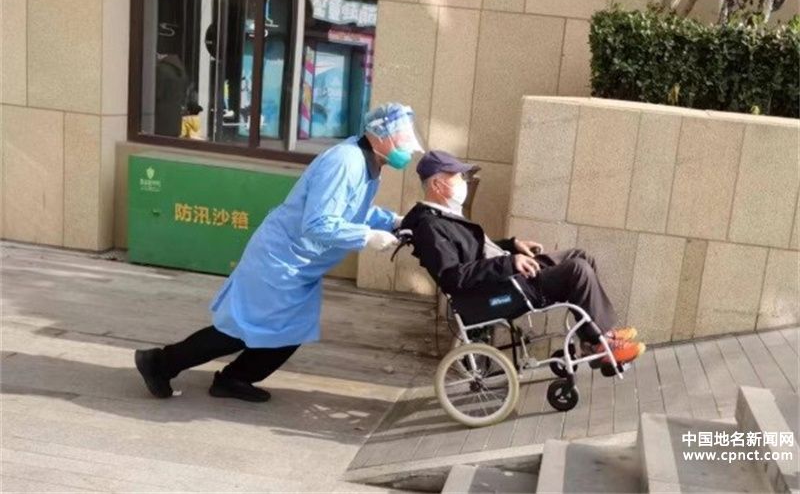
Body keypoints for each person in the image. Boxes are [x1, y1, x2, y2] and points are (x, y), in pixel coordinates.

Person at [135, 102, 424, 402]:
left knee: (290, 331)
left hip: (300, 265)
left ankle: (234, 378)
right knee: (239, 329)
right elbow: (318, 223)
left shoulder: (369, 165)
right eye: (401, 140)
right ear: (378, 135)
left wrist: (391, 221)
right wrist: (366, 236)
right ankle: (160, 363)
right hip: (280, 260)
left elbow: (352, 209)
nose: (406, 148)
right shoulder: (346, 162)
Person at [400, 150, 646, 367]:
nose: (464, 181)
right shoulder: (430, 226)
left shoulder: (442, 216)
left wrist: (512, 245)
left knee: (580, 256)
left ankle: (596, 339)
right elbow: (454, 277)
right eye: (457, 176)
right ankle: (602, 343)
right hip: (495, 294)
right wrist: (509, 262)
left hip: (506, 277)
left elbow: (474, 251)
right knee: (577, 270)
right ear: (438, 184)